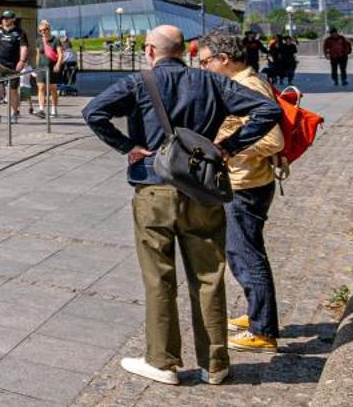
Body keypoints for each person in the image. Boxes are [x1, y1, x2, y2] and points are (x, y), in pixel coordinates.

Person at [83, 25, 283, 386]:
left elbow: (94, 112)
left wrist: (127, 146)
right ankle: (215, 364)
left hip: (153, 188)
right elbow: (267, 111)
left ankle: (162, 361)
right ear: (186, 52)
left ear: (149, 51)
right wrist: (229, 147)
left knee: (159, 276)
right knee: (209, 276)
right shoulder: (211, 82)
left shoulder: (139, 82)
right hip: (201, 190)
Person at [195, 29, 288, 353]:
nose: (204, 67)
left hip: (246, 184)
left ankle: (263, 331)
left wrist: (226, 148)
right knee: (242, 252)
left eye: (206, 61)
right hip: (245, 181)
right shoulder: (243, 83)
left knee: (246, 254)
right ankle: (256, 315)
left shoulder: (248, 86)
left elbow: (273, 140)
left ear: (224, 59)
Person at [0, 11, 29, 123]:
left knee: (12, 91)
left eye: (7, 18)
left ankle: (14, 113)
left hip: (13, 66)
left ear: (13, 19)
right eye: (3, 18)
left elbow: (24, 48)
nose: (5, 19)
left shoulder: (20, 32)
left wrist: (22, 60)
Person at [32, 20, 61, 117]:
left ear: (49, 29)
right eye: (41, 31)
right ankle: (41, 109)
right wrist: (36, 68)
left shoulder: (55, 40)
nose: (43, 32)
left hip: (52, 68)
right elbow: (37, 55)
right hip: (41, 68)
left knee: (53, 89)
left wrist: (58, 64)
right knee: (41, 88)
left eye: (45, 30)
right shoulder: (39, 41)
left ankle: (54, 109)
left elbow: (60, 54)